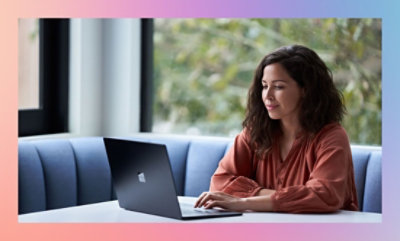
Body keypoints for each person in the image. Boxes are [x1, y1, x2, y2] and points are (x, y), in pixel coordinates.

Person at [194, 45, 359, 213]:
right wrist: (284, 197)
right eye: (265, 86)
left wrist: (243, 202)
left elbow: (324, 195)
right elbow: (220, 182)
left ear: (305, 90)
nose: (268, 95)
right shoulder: (256, 131)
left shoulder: (331, 136)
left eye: (278, 86)